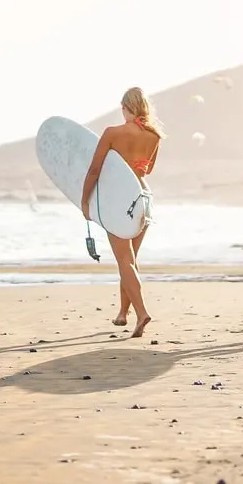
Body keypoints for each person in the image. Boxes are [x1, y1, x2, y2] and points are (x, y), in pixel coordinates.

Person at [81, 87, 164, 338]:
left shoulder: (112, 133)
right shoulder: (154, 136)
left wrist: (84, 201)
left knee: (124, 260)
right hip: (144, 198)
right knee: (130, 259)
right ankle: (123, 313)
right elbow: (147, 170)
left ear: (125, 107)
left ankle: (141, 313)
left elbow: (95, 169)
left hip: (119, 200)